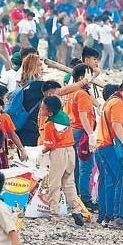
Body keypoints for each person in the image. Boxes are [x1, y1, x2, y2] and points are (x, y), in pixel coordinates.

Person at [96, 79, 123, 229]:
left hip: (103, 145)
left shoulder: (111, 101)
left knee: (111, 181)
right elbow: (116, 125)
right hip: (112, 146)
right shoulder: (118, 104)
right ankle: (120, 217)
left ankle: (107, 217)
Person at [41, 96, 85, 226]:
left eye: (43, 107)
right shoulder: (64, 117)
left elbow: (50, 144)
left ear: (50, 112)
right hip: (70, 151)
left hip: (58, 153)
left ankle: (54, 213)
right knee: (69, 182)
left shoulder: (49, 124)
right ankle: (76, 210)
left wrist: (40, 151)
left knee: (54, 183)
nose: (41, 109)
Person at [65, 64, 97, 210]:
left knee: (75, 167)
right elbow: (83, 116)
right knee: (85, 168)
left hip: (72, 130)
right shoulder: (82, 94)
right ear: (80, 78)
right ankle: (85, 199)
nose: (91, 78)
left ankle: (76, 196)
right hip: (81, 131)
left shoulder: (72, 92)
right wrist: (91, 134)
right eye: (88, 75)